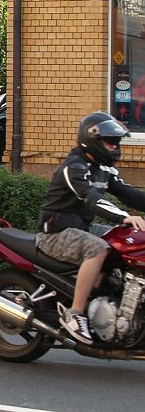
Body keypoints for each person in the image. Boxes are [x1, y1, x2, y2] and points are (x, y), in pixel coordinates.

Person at [38, 112, 145, 344]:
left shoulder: (104, 169)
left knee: (125, 241)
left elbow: (132, 196)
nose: (115, 147)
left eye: (116, 142)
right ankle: (75, 314)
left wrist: (131, 214)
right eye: (110, 142)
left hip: (81, 228)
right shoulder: (74, 167)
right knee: (98, 249)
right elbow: (91, 198)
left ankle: (108, 298)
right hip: (56, 232)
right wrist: (124, 217)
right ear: (92, 140)